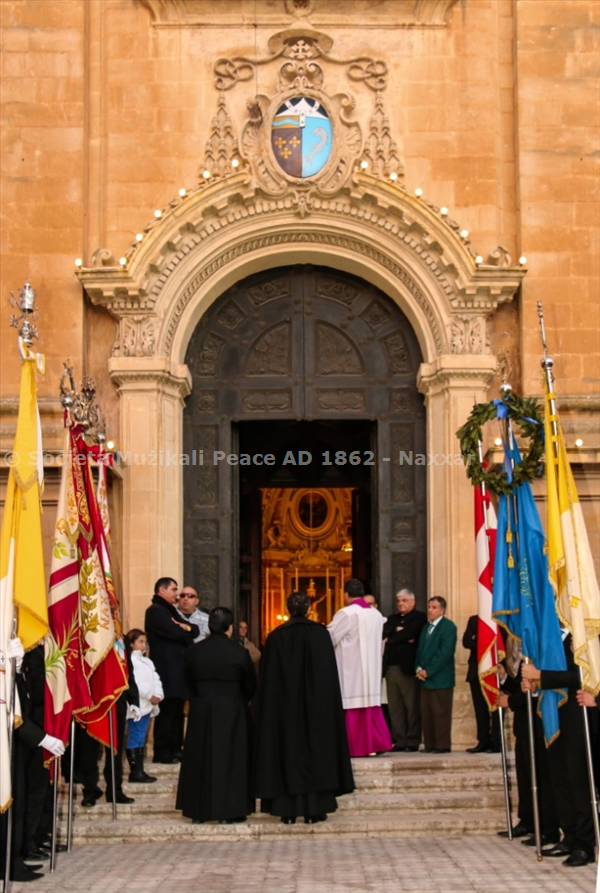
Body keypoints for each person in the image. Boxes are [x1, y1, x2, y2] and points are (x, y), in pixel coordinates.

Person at [254, 591, 355, 825]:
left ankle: (287, 811)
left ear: (288, 609)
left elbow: (268, 682)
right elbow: (329, 677)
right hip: (318, 711)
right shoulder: (320, 635)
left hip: (284, 712)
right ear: (309, 609)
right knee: (316, 753)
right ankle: (315, 810)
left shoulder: (277, 637)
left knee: (287, 753)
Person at [521, 633, 598, 866]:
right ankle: (570, 836)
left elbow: (583, 674)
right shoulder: (550, 636)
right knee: (559, 779)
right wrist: (534, 684)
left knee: (578, 780)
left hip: (578, 716)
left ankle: (585, 844)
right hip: (553, 716)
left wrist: (540, 676)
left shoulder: (587, 631)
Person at [176, 607, 256, 824]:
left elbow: (187, 679)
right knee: (232, 759)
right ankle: (231, 811)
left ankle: (199, 810)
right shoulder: (239, 652)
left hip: (201, 707)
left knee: (200, 756)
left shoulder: (194, 651)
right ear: (230, 629)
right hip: (232, 708)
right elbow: (250, 684)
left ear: (210, 627)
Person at [327, 578, 392, 757]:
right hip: (371, 669)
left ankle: (356, 746)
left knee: (352, 704)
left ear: (346, 595)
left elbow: (330, 637)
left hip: (351, 669)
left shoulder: (346, 614)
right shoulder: (376, 614)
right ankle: (375, 744)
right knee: (370, 704)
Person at [145, 577, 198, 764]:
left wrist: (186, 627)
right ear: (162, 590)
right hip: (166, 670)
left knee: (177, 711)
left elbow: (195, 630)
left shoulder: (170, 611)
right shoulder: (155, 612)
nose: (177, 594)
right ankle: (162, 751)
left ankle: (176, 748)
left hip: (177, 670)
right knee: (166, 711)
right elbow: (177, 634)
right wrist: (185, 631)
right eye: (174, 590)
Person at [383, 589, 427, 752]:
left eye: (404, 600)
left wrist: (395, 636)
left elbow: (411, 632)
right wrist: (398, 633)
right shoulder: (392, 619)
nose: (401, 603)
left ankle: (412, 740)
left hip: (407, 669)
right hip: (390, 669)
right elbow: (385, 632)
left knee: (412, 706)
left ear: (413, 602)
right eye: (399, 601)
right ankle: (399, 740)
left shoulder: (419, 617)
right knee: (395, 708)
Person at [415, 596, 457, 753]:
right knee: (427, 713)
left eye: (434, 607)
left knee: (440, 713)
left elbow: (444, 653)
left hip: (440, 678)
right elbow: (420, 650)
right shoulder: (427, 627)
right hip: (424, 678)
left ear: (442, 610)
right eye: (429, 607)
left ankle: (442, 745)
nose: (430, 610)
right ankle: (430, 744)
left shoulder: (448, 627)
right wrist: (418, 668)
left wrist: (429, 671)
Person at [125, 629, 164, 783]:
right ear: (131, 643)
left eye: (144, 642)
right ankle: (135, 772)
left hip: (148, 705)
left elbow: (156, 679)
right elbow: (134, 684)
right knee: (136, 736)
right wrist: (149, 695)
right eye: (140, 642)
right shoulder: (130, 661)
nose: (143, 645)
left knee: (141, 737)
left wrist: (158, 695)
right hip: (138, 705)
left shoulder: (147, 661)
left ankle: (139, 770)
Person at [462, 614, 500, 753]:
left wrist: (478, 638)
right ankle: (483, 741)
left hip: (494, 670)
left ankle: (497, 742)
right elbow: (466, 641)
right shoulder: (473, 620)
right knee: (480, 709)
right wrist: (483, 641)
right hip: (476, 670)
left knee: (495, 707)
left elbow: (501, 643)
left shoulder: (500, 618)